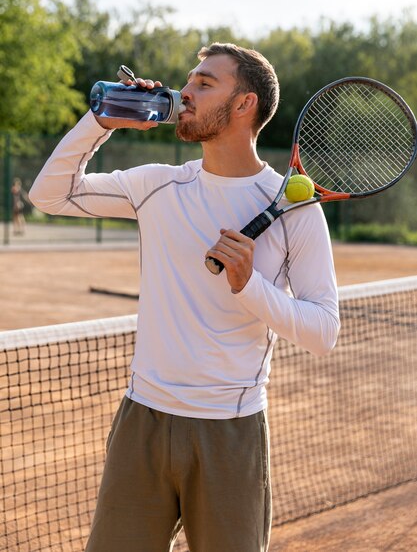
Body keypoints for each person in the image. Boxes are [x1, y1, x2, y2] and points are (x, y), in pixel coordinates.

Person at [29, 43, 340, 552]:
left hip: (231, 433)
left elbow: (324, 331)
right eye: (189, 80)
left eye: (204, 83)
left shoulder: (295, 209)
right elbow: (51, 195)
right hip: (142, 422)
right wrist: (103, 120)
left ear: (244, 105)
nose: (185, 91)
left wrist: (249, 285)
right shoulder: (157, 185)